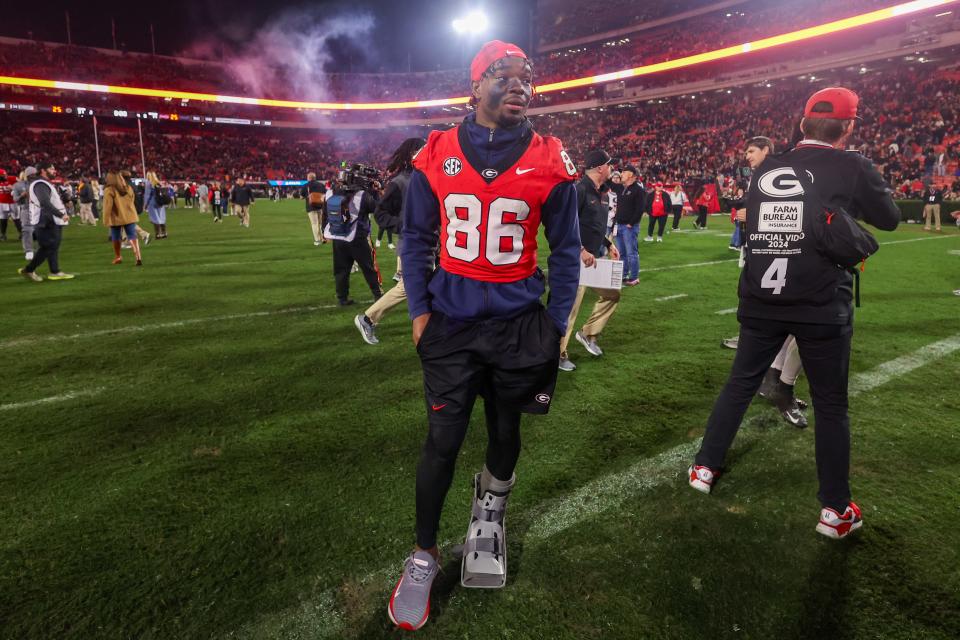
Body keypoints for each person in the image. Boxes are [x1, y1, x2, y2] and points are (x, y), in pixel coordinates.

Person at [390, 40, 580, 631]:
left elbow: (568, 251)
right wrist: (420, 312)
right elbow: (415, 239)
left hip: (520, 325)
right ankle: (423, 553)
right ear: (476, 85)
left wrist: (555, 322)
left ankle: (489, 513)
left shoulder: (551, 156)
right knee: (441, 442)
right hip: (451, 323)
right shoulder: (437, 152)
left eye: (529, 77)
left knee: (506, 429)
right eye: (506, 75)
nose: (522, 84)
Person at [688, 87, 901, 539]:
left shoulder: (769, 166)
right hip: (820, 301)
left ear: (803, 124)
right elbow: (889, 218)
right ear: (849, 127)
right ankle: (835, 510)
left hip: (763, 295)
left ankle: (704, 467)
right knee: (830, 403)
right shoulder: (853, 166)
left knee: (740, 382)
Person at [355, 137, 425, 345]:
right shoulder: (400, 181)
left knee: (431, 285)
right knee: (408, 287)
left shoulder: (424, 177)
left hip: (428, 242)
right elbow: (381, 213)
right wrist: (405, 226)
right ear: (413, 154)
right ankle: (367, 318)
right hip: (412, 243)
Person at [558, 149, 621, 372]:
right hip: (576, 260)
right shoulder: (579, 190)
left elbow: (593, 225)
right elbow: (565, 224)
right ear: (600, 168)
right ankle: (559, 353)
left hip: (595, 259)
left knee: (612, 294)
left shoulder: (603, 192)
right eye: (609, 164)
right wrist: (581, 249)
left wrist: (608, 243)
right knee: (570, 308)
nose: (612, 168)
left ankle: (588, 333)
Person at [323, 177, 382, 306]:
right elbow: (377, 207)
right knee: (368, 268)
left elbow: (325, 213)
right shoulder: (362, 194)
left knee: (341, 270)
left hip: (338, 236)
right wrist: (374, 191)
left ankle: (342, 298)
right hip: (356, 237)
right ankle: (377, 294)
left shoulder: (331, 192)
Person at [18, 162, 74, 282]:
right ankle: (30, 269)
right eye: (52, 169)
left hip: (49, 219)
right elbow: (44, 202)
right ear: (43, 170)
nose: (54, 171)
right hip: (46, 220)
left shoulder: (43, 183)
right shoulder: (40, 184)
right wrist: (60, 214)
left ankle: (54, 271)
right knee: (48, 247)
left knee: (52, 246)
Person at [102, 170, 143, 266]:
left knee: (116, 237)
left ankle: (118, 256)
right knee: (132, 236)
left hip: (116, 217)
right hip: (129, 215)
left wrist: (105, 219)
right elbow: (132, 200)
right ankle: (138, 257)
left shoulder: (109, 190)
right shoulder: (127, 188)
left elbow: (108, 206)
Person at [613, 164, 643, 286]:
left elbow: (640, 208)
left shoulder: (638, 190)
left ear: (630, 175)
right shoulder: (622, 188)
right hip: (619, 225)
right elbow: (609, 183)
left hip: (629, 227)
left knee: (631, 253)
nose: (622, 174)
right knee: (622, 253)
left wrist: (632, 222)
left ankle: (634, 277)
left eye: (624, 172)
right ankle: (624, 275)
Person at [12, 169, 34, 260]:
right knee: (26, 230)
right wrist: (22, 195)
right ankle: (28, 251)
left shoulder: (39, 183)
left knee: (44, 229)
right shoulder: (17, 185)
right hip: (26, 208)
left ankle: (45, 249)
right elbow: (15, 199)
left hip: (39, 209)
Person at [302, 172, 326, 246]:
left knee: (314, 223)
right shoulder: (321, 185)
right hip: (321, 206)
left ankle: (317, 240)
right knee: (321, 223)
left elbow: (302, 196)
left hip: (311, 207)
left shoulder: (306, 185)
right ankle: (323, 238)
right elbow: (324, 195)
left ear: (309, 178)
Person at [145, 171, 168, 238]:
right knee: (161, 217)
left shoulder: (149, 184)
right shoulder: (159, 183)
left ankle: (158, 234)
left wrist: (146, 204)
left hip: (153, 202)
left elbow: (148, 195)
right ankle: (164, 233)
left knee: (155, 218)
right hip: (160, 202)